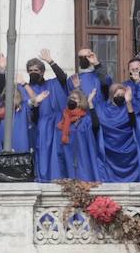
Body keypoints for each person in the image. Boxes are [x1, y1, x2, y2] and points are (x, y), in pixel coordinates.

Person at [23, 50, 73, 182]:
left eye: (36, 69)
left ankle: (62, 180)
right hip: (39, 127)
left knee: (59, 154)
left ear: (42, 72)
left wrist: (50, 61)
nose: (33, 72)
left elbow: (62, 78)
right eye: (30, 70)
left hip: (58, 125)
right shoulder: (23, 88)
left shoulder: (52, 83)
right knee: (42, 156)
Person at [91, 80, 140, 182]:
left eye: (122, 95)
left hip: (129, 150)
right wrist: (90, 104)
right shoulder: (101, 108)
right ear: (111, 95)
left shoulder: (129, 107)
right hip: (108, 151)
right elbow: (95, 125)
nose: (120, 96)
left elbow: (134, 123)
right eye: (117, 94)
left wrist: (128, 102)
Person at [52, 88, 102, 181]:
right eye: (70, 98)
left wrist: (90, 103)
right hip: (67, 159)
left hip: (82, 160)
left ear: (81, 102)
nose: (72, 100)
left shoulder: (85, 120)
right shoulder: (63, 120)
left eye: (75, 99)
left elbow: (96, 126)